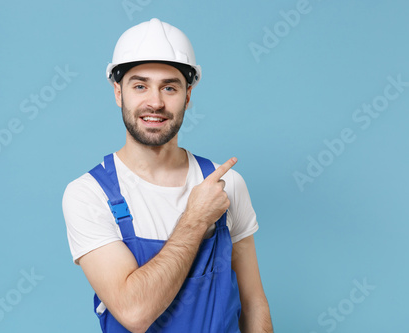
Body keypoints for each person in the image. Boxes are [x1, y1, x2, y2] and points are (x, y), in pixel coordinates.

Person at [63, 18, 273, 333]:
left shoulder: (226, 185)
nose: (155, 102)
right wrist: (196, 219)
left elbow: (253, 302)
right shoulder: (88, 195)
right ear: (118, 93)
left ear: (188, 96)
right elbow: (134, 312)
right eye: (140, 85)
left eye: (170, 87)